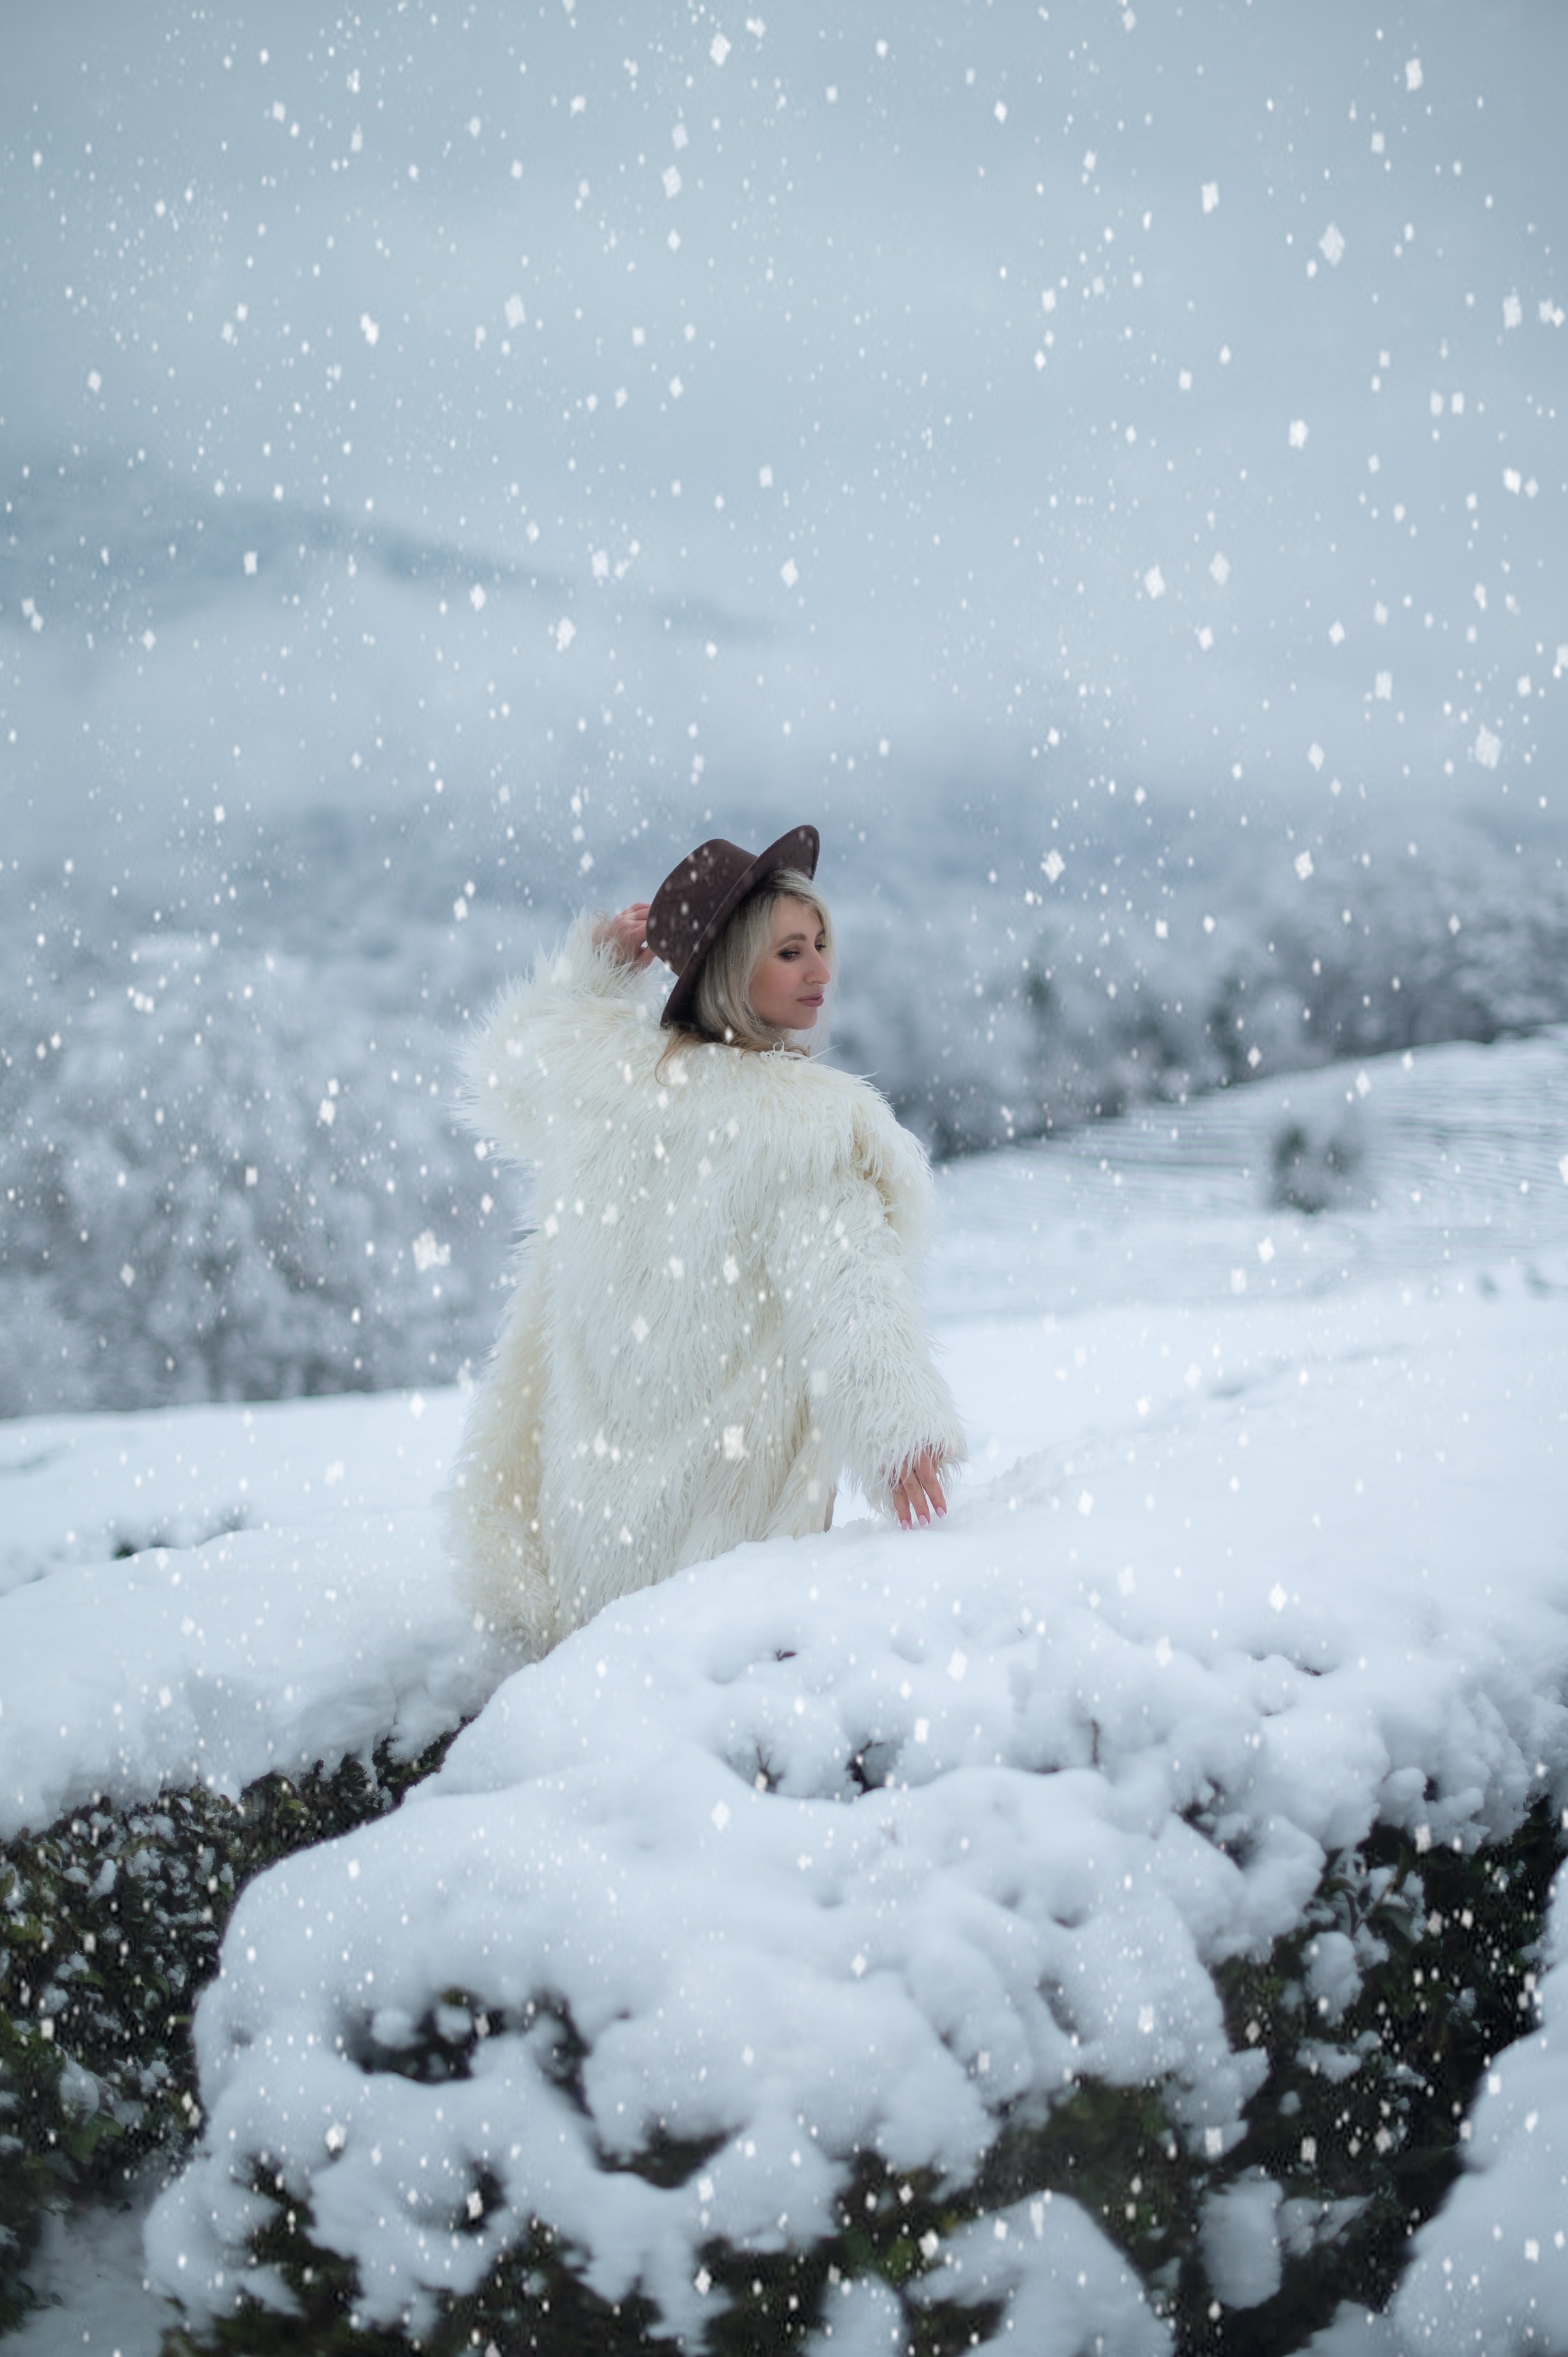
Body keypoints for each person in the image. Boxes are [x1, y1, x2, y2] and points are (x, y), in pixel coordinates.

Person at [446, 824, 966, 1657]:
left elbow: (509, 1064)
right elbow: (851, 1288)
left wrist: (596, 971)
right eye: (791, 951)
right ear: (731, 967)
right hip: (724, 1535)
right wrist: (903, 1434)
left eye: (822, 944)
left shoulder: (606, 1085)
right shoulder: (798, 1130)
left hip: (594, 1522)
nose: (822, 971)